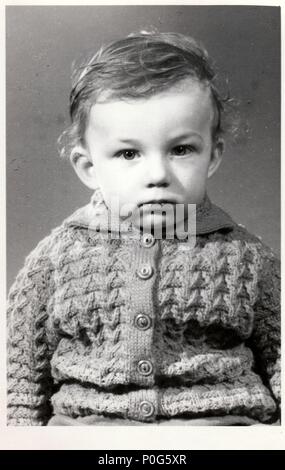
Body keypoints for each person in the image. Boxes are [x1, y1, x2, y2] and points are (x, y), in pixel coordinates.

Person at [7, 31, 280, 426]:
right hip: (94, 435)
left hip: (219, 429)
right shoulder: (57, 256)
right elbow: (20, 375)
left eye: (181, 149)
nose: (157, 174)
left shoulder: (245, 255)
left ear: (213, 155)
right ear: (88, 167)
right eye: (129, 153)